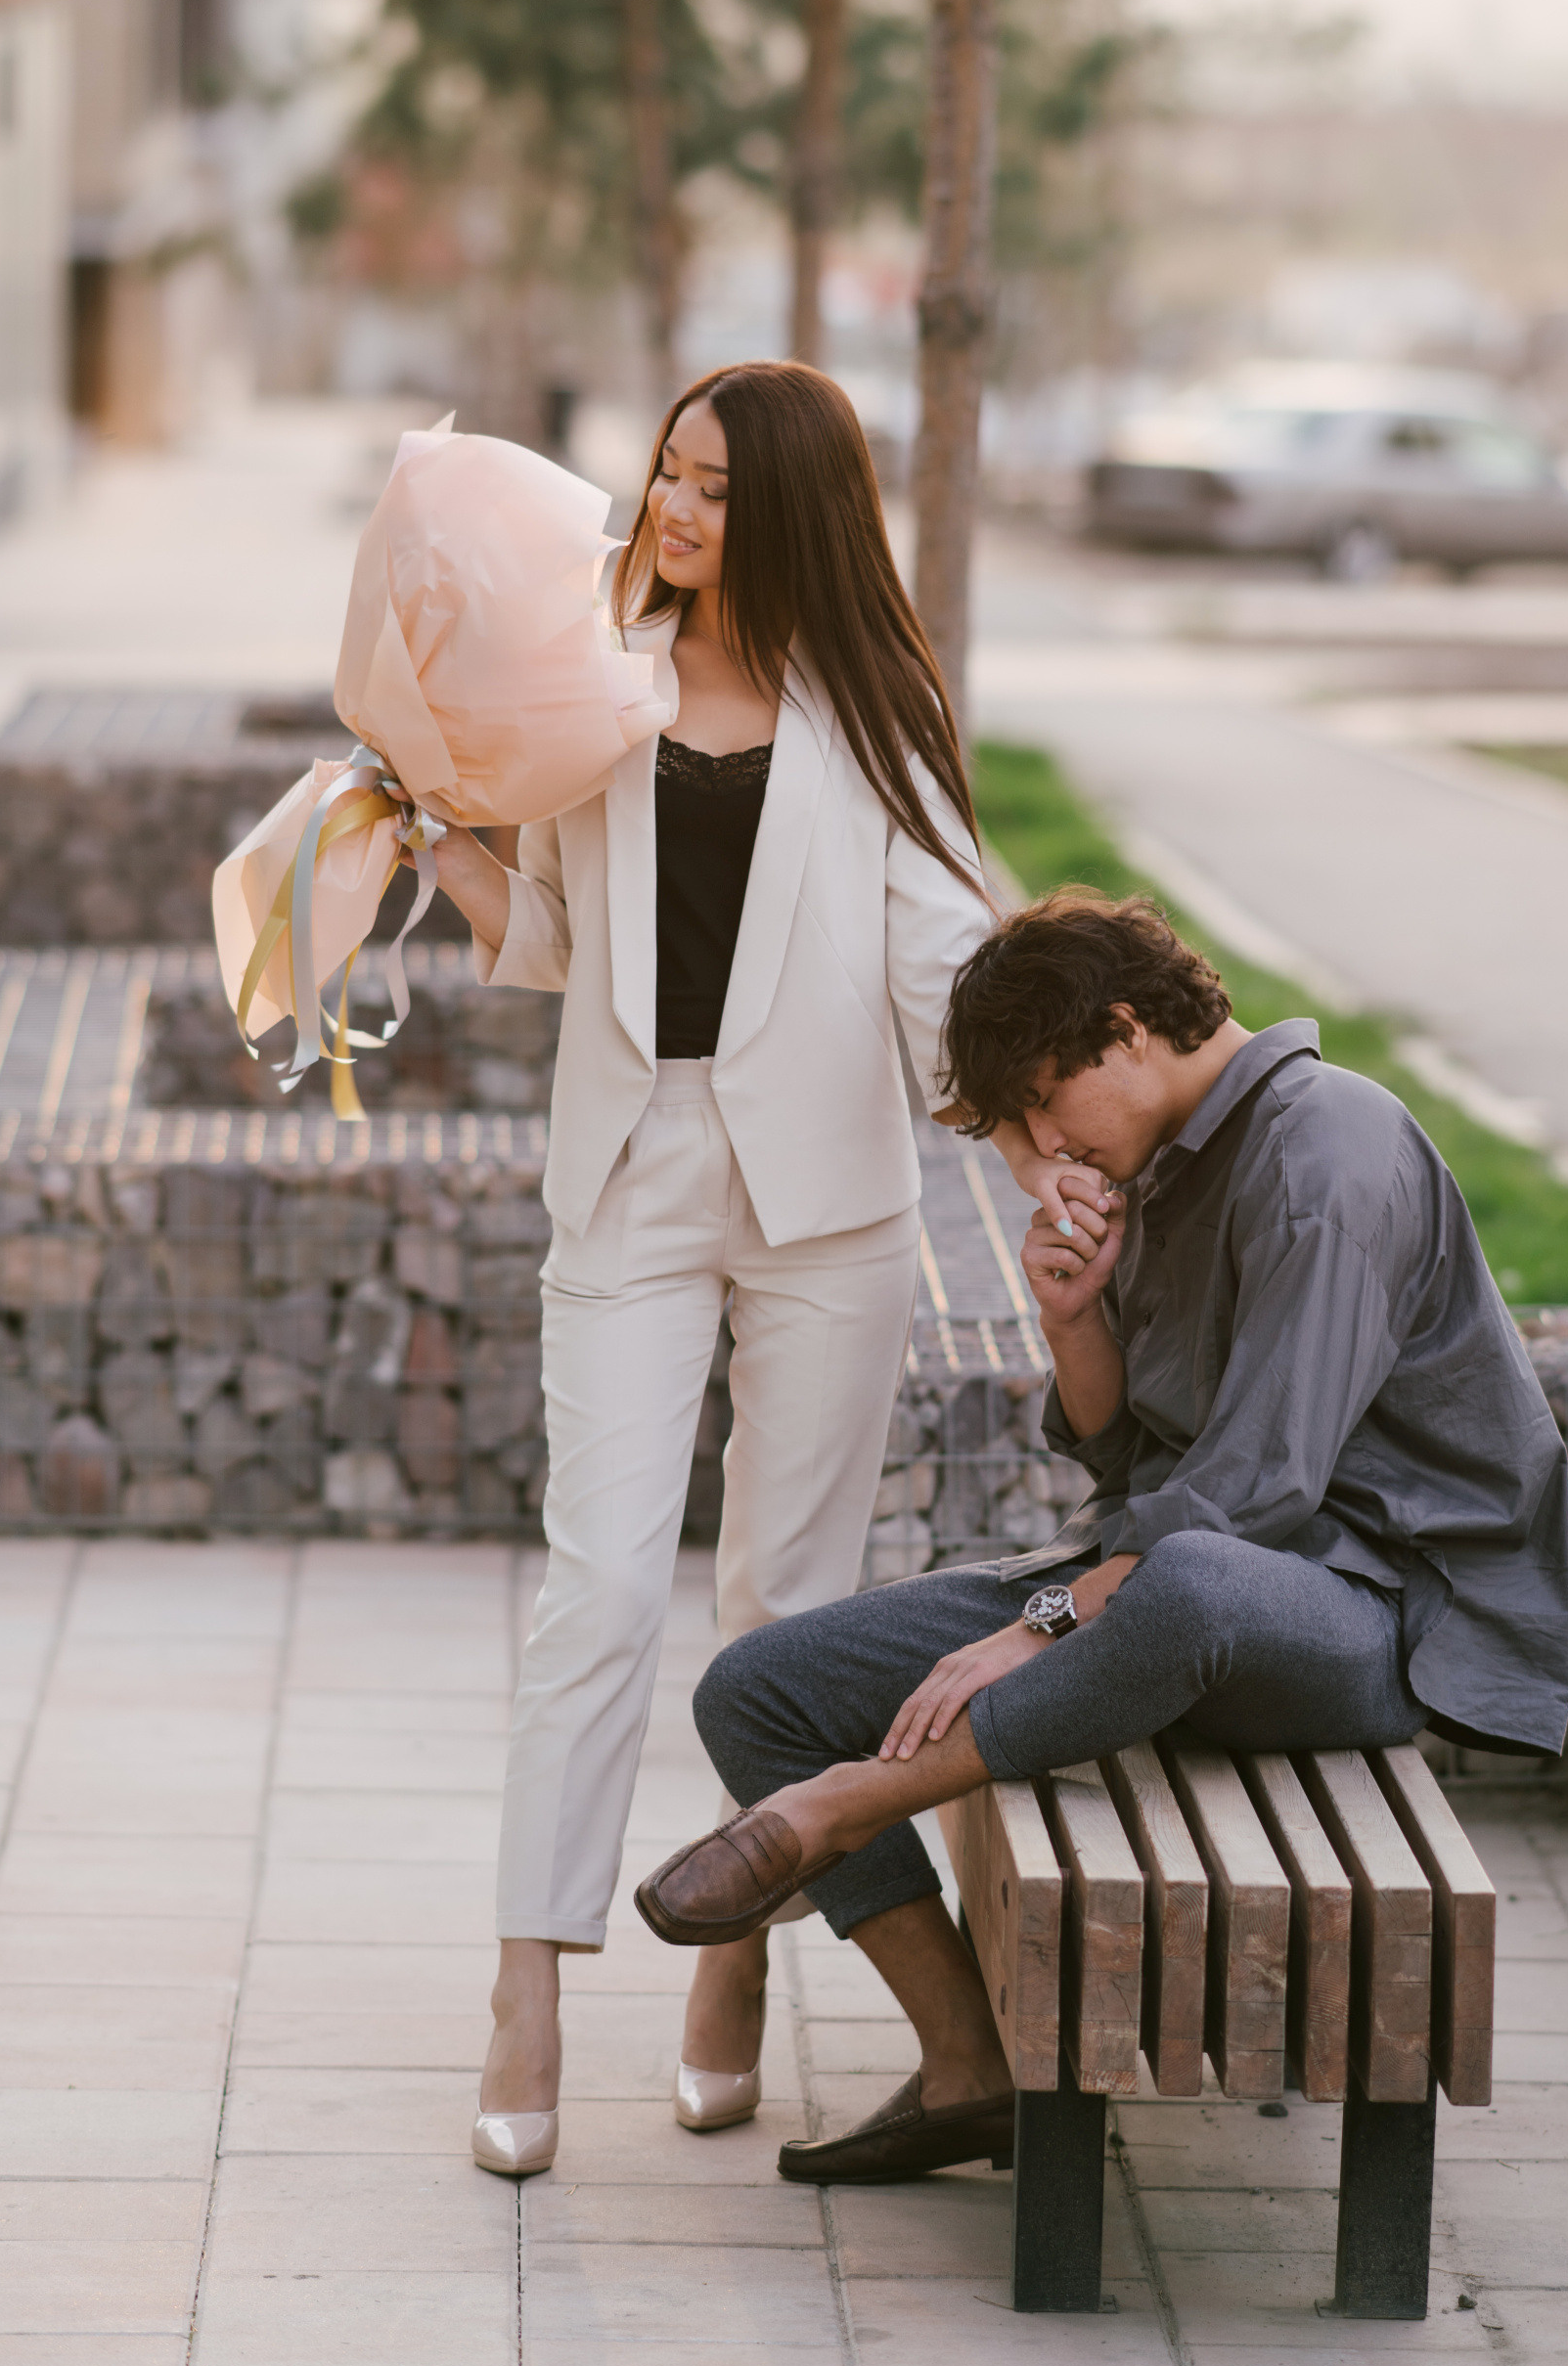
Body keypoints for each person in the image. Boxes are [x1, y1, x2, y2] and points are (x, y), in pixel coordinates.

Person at [424, 364, 1102, 2178]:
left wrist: (1049, 1164)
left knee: (781, 1616)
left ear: (787, 509)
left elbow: (953, 980)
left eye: (712, 488)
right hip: (630, 1189)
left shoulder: (875, 721)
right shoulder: (596, 683)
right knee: (598, 1593)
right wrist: (437, 838)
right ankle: (529, 1980)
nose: (670, 509)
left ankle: (730, 1973)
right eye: (664, 474)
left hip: (828, 1217)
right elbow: (557, 941)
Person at [633, 889, 1568, 2183]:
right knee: (760, 1686)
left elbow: (1261, 1490)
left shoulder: (1330, 1151)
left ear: (1126, 1030)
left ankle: (845, 1805)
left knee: (1184, 1580)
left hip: (1364, 1618)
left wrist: (1048, 1623)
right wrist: (1074, 1321)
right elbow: (1135, 1462)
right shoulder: (1168, 1166)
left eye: (1037, 1105)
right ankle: (967, 2066)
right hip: (1166, 1592)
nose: (1038, 1149)